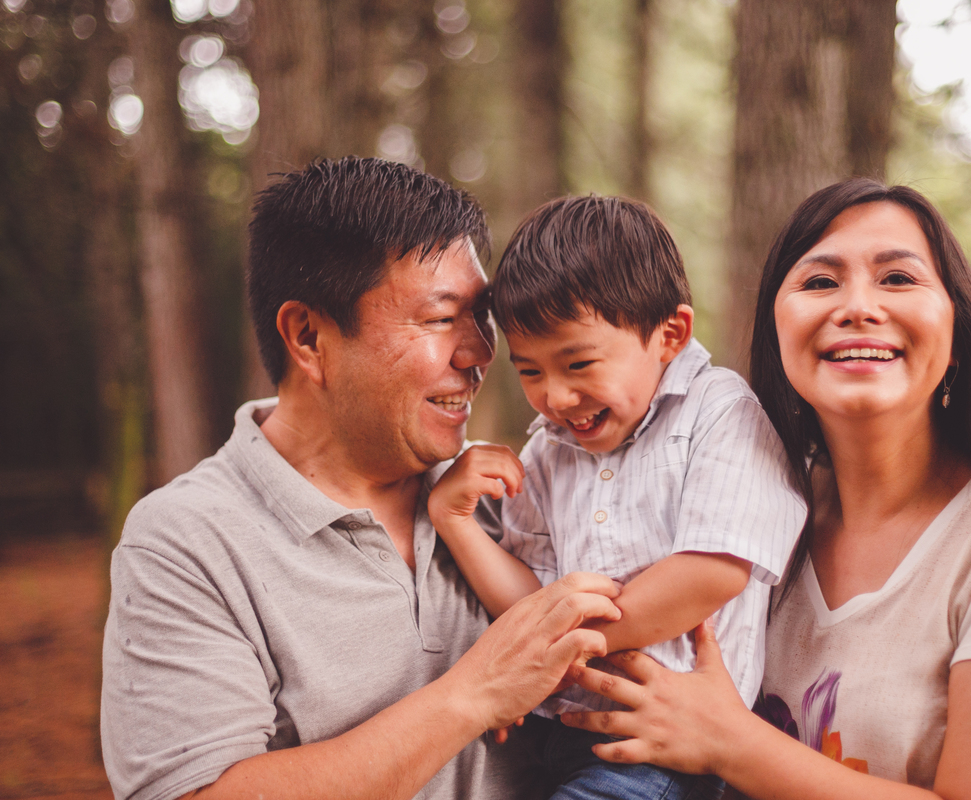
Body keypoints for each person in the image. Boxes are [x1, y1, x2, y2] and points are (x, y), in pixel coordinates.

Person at [559, 179, 971, 799]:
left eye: (898, 279)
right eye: (820, 282)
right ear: (776, 331)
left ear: (958, 333)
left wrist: (731, 743)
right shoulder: (736, 515)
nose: (858, 306)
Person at [99, 157, 624, 800]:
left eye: (479, 316)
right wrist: (475, 693)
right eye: (438, 319)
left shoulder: (510, 493)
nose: (481, 354)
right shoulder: (186, 542)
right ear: (308, 335)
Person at [424, 195, 807, 800]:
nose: (556, 396)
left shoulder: (719, 412)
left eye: (579, 363)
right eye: (530, 372)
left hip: (661, 738)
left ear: (669, 336)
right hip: (553, 732)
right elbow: (531, 601)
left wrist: (557, 649)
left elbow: (712, 573)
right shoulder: (546, 454)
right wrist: (455, 521)